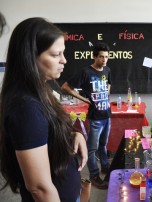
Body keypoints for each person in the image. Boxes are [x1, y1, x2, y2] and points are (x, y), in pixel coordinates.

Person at [0, 17, 88, 202]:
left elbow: (46, 131)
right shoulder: (26, 107)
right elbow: (39, 187)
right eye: (56, 55)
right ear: (30, 57)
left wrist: (73, 136)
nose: (64, 60)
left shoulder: (44, 88)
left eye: (63, 53)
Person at [61, 42, 111, 189]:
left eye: (107, 57)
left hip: (107, 114)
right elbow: (65, 87)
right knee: (91, 148)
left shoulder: (107, 70)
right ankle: (94, 176)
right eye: (101, 57)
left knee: (103, 145)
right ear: (94, 57)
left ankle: (105, 167)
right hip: (95, 117)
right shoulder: (86, 72)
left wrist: (105, 96)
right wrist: (85, 99)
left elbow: (108, 83)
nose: (104, 60)